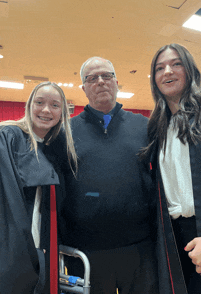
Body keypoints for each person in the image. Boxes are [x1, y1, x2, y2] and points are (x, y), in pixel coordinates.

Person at [50, 57, 159, 294]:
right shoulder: (65, 132)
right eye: (92, 78)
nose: (100, 82)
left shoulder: (144, 126)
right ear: (84, 88)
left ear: (117, 82)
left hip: (140, 249)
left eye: (106, 76)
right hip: (86, 252)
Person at [140, 43, 201, 294]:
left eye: (176, 64)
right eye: (159, 67)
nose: (167, 72)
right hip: (176, 237)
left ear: (190, 71)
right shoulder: (158, 130)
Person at [0, 81, 77, 294]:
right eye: (39, 102)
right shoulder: (10, 138)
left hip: (41, 249)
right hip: (12, 250)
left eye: (54, 105)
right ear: (29, 105)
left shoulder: (53, 149)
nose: (45, 110)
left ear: (62, 113)